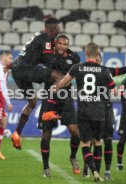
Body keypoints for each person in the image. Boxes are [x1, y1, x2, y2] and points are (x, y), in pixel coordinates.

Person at [56, 42, 115, 182]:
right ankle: (98, 174)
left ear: (86, 53)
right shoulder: (104, 70)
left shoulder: (77, 67)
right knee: (98, 142)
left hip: (83, 112)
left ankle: (93, 171)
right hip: (99, 111)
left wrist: (55, 89)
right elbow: (115, 91)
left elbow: (63, 83)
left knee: (85, 143)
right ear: (97, 54)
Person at [82, 48, 126, 180]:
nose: (97, 58)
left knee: (108, 141)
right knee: (93, 140)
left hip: (107, 109)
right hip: (93, 109)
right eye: (96, 56)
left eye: (99, 56)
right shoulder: (85, 70)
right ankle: (88, 166)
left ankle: (107, 171)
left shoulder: (107, 71)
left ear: (101, 58)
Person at [10, 18, 63, 150]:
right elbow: (49, 61)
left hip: (17, 70)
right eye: (57, 29)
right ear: (51, 29)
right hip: (26, 70)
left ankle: (17, 132)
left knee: (32, 102)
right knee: (60, 77)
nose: (59, 31)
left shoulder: (39, 36)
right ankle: (49, 109)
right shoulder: (45, 40)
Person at [37, 34, 81, 177]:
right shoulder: (48, 57)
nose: (62, 46)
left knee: (75, 132)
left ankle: (73, 156)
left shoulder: (74, 58)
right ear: (55, 44)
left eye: (65, 44)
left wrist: (59, 85)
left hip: (65, 99)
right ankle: (45, 167)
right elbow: (46, 74)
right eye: (60, 43)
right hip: (49, 99)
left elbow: (71, 77)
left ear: (68, 45)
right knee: (46, 134)